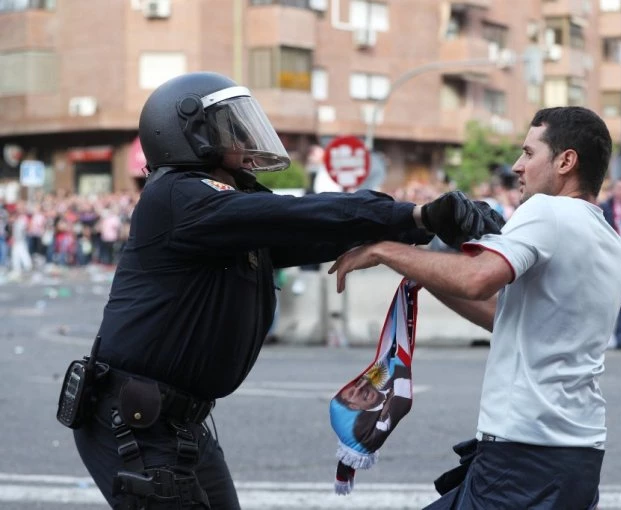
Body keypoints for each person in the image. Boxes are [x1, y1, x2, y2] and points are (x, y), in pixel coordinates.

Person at [66, 72, 501, 509]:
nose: (241, 134)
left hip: (175, 422)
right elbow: (296, 215)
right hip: (137, 421)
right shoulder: (179, 198)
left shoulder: (222, 207)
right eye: (228, 126)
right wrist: (418, 213)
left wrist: (415, 227)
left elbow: (312, 233)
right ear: (191, 133)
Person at [330, 106, 621, 509]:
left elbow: (476, 278)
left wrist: (384, 250)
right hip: (577, 455)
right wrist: (426, 273)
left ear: (565, 161)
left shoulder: (547, 211)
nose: (517, 166)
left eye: (528, 153)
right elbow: (502, 315)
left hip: (524, 455)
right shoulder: (609, 239)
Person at [600, 178, 621, 350]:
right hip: (610, 259)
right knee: (608, 299)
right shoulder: (605, 208)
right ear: (613, 190)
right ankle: (605, 336)